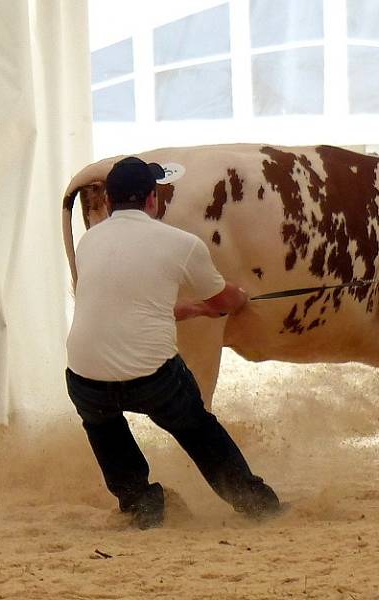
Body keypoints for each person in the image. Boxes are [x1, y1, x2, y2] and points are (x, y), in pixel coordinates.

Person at [65, 156, 281, 529]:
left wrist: (192, 309)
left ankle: (141, 502)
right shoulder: (181, 243)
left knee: (103, 426)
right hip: (151, 379)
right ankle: (253, 501)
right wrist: (239, 299)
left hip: (84, 378)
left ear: (110, 203)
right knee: (197, 426)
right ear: (152, 200)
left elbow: (132, 304)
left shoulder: (89, 242)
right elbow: (222, 300)